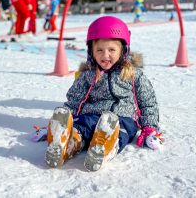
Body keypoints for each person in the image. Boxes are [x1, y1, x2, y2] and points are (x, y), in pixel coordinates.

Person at [45, 16, 163, 171]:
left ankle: (103, 148)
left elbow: (147, 101)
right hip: (92, 115)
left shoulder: (132, 74)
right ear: (91, 51)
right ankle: (66, 143)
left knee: (120, 132)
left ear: (123, 50)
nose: (105, 55)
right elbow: (75, 99)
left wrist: (149, 126)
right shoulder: (89, 74)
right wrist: (68, 117)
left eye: (111, 50)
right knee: (81, 128)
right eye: (99, 50)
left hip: (122, 118)